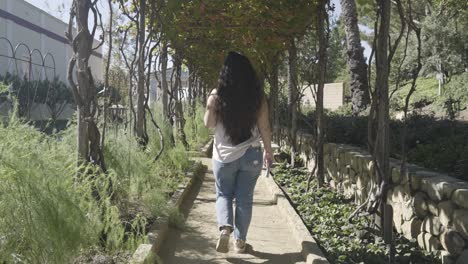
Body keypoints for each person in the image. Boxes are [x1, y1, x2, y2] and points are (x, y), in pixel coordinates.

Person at [204, 51, 273, 254]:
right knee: (244, 198)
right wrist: (268, 151)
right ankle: (240, 242)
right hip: (251, 155)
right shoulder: (258, 97)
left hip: (224, 156)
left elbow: (209, 124)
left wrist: (210, 105)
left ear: (225, 73)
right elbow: (265, 128)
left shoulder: (217, 96)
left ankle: (225, 229)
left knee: (224, 194)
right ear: (248, 73)